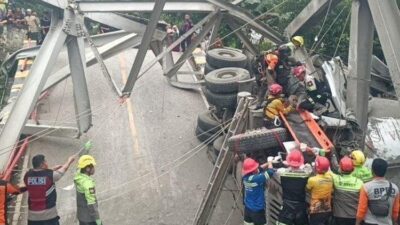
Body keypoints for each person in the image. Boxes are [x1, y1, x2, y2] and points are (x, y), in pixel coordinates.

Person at [24, 154, 75, 225]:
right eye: (45, 161)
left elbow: (39, 175)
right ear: (42, 164)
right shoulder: (50, 176)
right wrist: (69, 161)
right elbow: (63, 170)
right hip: (49, 218)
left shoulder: (27, 176)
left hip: (32, 218)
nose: (47, 163)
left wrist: (51, 169)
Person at [356, 158, 399, 225]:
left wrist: (357, 223)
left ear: (372, 170)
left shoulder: (366, 187)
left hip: (369, 222)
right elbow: (395, 211)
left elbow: (362, 209)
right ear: (385, 171)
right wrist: (394, 222)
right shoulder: (395, 188)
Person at [276, 150, 311, 225]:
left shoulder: (282, 172)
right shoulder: (306, 173)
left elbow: (275, 169)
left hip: (287, 206)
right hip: (300, 206)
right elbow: (309, 167)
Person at [332, 156, 363, 225]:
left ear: (340, 169)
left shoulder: (336, 180)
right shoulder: (359, 182)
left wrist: (333, 155)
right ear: (353, 169)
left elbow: (327, 171)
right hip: (354, 216)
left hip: (339, 216)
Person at [242, 157, 274, 225]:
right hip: (257, 211)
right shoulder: (257, 179)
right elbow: (270, 172)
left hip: (247, 209)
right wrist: (270, 162)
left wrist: (267, 163)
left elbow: (259, 169)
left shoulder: (245, 177)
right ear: (253, 170)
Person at [75, 155, 101, 225]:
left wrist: (86, 150)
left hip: (81, 216)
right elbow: (91, 204)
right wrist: (97, 219)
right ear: (87, 169)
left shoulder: (78, 175)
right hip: (89, 219)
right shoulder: (88, 184)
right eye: (93, 166)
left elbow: (80, 165)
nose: (94, 169)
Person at [306, 156, 333, 225]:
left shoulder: (312, 180)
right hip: (327, 209)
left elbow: (307, 189)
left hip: (316, 210)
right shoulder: (331, 178)